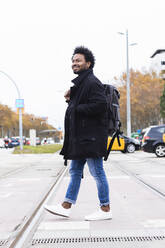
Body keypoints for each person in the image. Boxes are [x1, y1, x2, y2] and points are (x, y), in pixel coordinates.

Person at [44, 46, 112, 221]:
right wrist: (70, 100)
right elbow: (78, 110)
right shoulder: (81, 84)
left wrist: (75, 106)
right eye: (73, 61)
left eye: (78, 60)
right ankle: (66, 206)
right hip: (82, 139)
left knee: (97, 172)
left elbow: (100, 105)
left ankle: (105, 209)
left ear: (88, 64)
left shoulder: (92, 82)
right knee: (74, 171)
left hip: (91, 139)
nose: (74, 63)